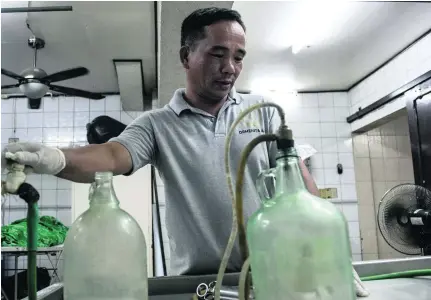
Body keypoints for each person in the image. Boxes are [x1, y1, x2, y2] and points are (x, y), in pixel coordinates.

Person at [3, 7, 319, 276]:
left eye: (239, 57)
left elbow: (300, 181)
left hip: (273, 272)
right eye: (218, 54)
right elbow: (112, 156)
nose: (230, 68)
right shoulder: (157, 125)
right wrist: (53, 158)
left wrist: (325, 250)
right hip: (199, 283)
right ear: (186, 56)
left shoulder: (262, 112)